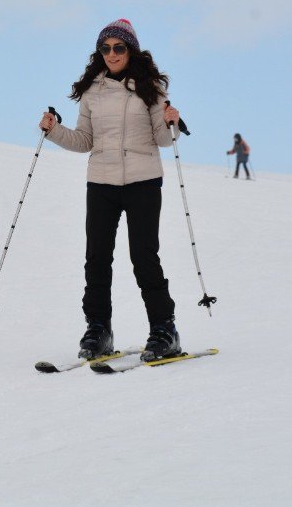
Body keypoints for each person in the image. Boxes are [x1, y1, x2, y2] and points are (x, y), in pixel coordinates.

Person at [38, 18, 183, 362]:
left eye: (118, 47)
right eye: (105, 48)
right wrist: (55, 130)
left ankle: (164, 329)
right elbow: (85, 140)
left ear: (130, 50)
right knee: (97, 258)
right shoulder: (92, 92)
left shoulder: (150, 88)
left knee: (143, 257)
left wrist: (170, 121)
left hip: (143, 181)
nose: (112, 53)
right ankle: (98, 330)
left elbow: (164, 140)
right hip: (101, 182)